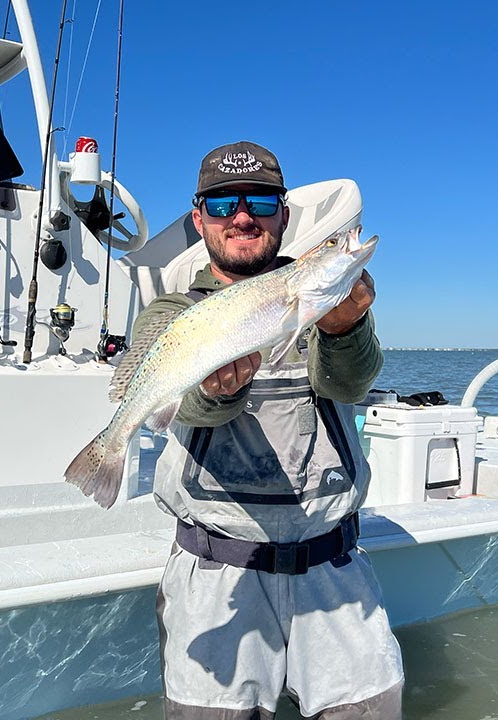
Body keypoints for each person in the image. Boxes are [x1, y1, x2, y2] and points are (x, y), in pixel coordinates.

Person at [133, 141, 404, 719]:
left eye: (259, 200)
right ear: (199, 216)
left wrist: (344, 329)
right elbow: (185, 410)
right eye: (223, 202)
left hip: (333, 568)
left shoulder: (324, 297)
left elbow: (353, 386)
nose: (242, 216)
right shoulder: (170, 313)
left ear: (283, 214)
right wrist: (213, 391)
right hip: (216, 574)